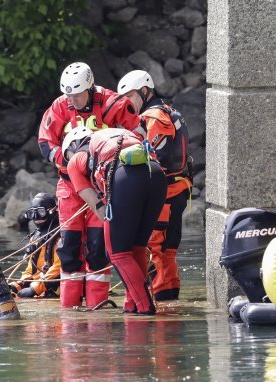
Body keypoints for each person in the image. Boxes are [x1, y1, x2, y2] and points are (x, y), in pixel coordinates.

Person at [38, 62, 143, 308]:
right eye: (68, 95)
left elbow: (138, 134)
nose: (72, 100)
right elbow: (45, 141)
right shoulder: (60, 106)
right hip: (69, 183)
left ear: (90, 87)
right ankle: (70, 308)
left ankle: (97, 306)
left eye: (76, 94)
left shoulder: (114, 104)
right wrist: (63, 158)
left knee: (97, 247)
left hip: (102, 186)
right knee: (70, 247)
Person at [62, 126, 167, 315]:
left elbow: (99, 209)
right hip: (156, 174)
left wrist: (115, 225)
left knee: (118, 253)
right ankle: (131, 304)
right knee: (137, 247)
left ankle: (144, 307)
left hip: (126, 177)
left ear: (74, 146)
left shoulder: (75, 161)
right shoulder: (113, 135)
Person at [117, 69, 193, 301]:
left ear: (144, 91)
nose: (127, 104)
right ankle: (168, 295)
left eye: (130, 97)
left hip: (166, 193)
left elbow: (152, 156)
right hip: (177, 190)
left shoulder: (153, 117)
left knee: (154, 248)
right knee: (167, 250)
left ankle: (156, 297)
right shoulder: (169, 111)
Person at [9, 192, 62, 299]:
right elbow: (31, 269)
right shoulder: (36, 236)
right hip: (40, 284)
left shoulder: (60, 235)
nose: (36, 217)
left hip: (56, 288)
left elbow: (59, 268)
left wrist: (35, 289)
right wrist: (19, 285)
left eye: (41, 212)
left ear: (52, 211)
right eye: (32, 213)